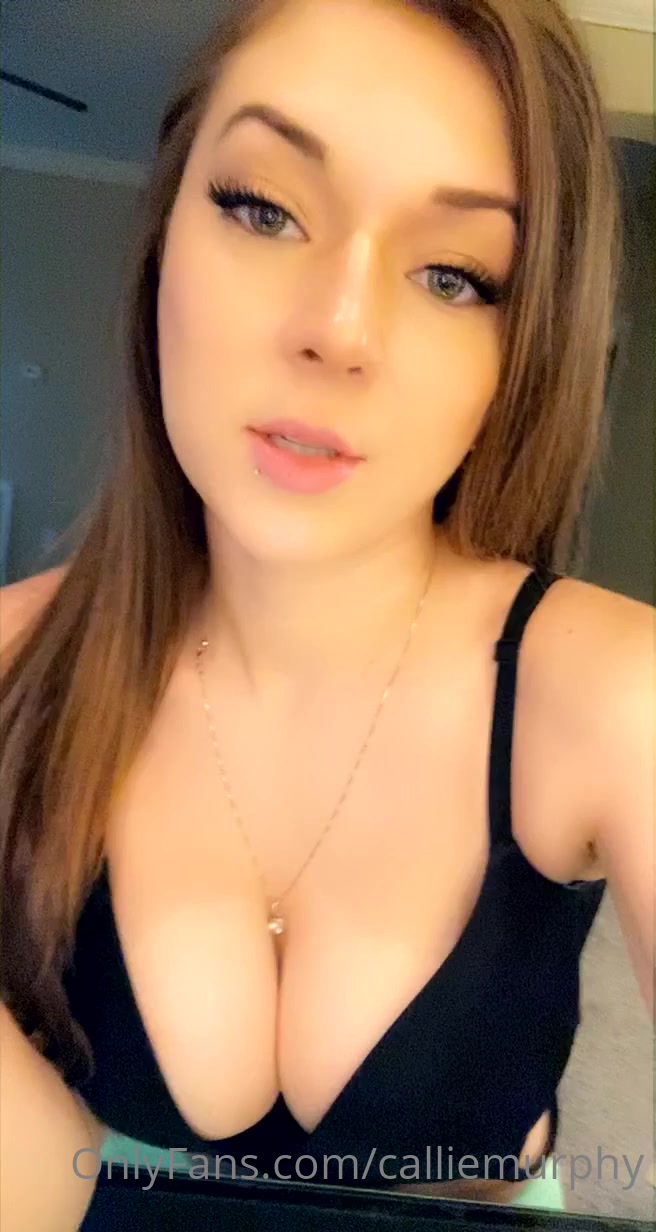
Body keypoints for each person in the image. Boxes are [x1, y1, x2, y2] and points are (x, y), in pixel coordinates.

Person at [1, 0, 653, 1227]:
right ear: (163, 236)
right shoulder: (13, 667)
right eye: (264, 209)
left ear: (520, 349)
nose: (340, 331)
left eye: (453, 276)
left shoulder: (618, 695)